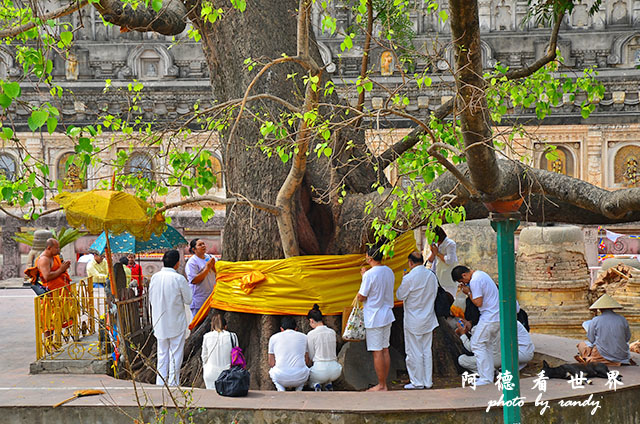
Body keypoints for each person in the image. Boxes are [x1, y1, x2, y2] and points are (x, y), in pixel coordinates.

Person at [149, 250, 192, 386]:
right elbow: (189, 300)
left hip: (159, 322)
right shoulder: (179, 279)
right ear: (177, 263)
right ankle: (173, 383)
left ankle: (160, 382)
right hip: (175, 322)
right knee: (176, 354)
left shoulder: (155, 277)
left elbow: (150, 298)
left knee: (162, 354)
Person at [451, 265, 500, 386]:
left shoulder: (475, 280)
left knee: (477, 344)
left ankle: (485, 377)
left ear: (464, 275)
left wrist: (468, 293)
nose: (464, 283)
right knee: (485, 345)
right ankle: (487, 375)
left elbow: (478, 302)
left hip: (489, 317)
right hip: (494, 316)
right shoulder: (481, 274)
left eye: (462, 281)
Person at [396, 251, 438, 389]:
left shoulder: (409, 278)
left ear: (410, 262)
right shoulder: (431, 276)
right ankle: (428, 381)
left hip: (413, 319)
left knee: (414, 351)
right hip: (428, 318)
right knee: (426, 350)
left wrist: (403, 280)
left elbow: (400, 295)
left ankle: (417, 381)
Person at [357, 245, 396, 392]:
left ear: (370, 257)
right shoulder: (389, 271)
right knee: (385, 349)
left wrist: (363, 278)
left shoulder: (369, 275)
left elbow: (362, 296)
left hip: (374, 316)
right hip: (387, 314)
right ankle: (383, 384)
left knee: (377, 351)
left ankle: (381, 385)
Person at [456, 318, 534, 372]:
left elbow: (471, 347)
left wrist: (463, 334)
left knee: (462, 359)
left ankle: (492, 372)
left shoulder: (487, 325)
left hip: (513, 354)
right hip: (526, 352)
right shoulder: (505, 318)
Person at [577, 294, 632, 366]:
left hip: (602, 355)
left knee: (581, 345)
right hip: (621, 355)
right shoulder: (622, 319)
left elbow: (591, 339)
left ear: (600, 309)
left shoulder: (595, 320)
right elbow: (627, 338)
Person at [306, 304, 342, 391]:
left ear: (311, 321)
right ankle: (328, 384)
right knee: (327, 377)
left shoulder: (311, 334)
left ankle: (315, 385)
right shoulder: (332, 332)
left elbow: (311, 355)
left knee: (310, 377)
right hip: (336, 370)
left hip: (319, 371)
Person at [268, 316, 310, 391]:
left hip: (281, 377)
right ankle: (299, 389)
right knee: (307, 370)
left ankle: (280, 389)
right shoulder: (304, 337)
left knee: (272, 371)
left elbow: (271, 363)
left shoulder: (273, 338)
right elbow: (306, 361)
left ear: (281, 329)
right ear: (296, 328)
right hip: (300, 377)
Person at [201, 313, 238, 389]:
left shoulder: (206, 336)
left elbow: (204, 357)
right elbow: (235, 355)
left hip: (210, 372)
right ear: (225, 326)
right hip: (227, 373)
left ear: (213, 326)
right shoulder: (232, 336)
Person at [185, 238, 216, 317]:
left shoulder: (211, 257)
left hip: (212, 297)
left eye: (203, 244)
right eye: (200, 245)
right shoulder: (192, 262)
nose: (203, 246)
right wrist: (207, 268)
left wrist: (213, 267)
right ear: (194, 249)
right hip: (199, 299)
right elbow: (194, 280)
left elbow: (219, 273)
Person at [427, 226, 458, 297]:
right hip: (437, 278)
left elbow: (449, 260)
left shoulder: (450, 244)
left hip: (447, 279)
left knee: (449, 299)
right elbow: (430, 260)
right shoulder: (436, 244)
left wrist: (437, 253)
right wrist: (433, 251)